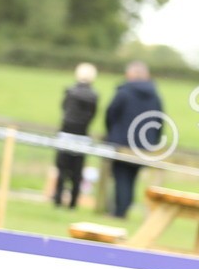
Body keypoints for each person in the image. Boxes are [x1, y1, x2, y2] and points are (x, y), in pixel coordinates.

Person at [104, 61, 163, 219]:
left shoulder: (124, 92)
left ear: (129, 75)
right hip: (143, 145)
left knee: (121, 177)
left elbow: (111, 114)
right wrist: (152, 141)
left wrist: (111, 134)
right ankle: (124, 208)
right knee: (132, 177)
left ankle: (119, 212)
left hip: (122, 142)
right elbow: (159, 120)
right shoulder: (155, 96)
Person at [53, 63, 99, 208]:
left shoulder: (70, 92)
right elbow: (92, 114)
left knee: (62, 169)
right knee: (77, 171)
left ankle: (58, 199)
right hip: (82, 135)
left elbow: (64, 109)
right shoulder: (94, 96)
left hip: (66, 133)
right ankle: (73, 202)